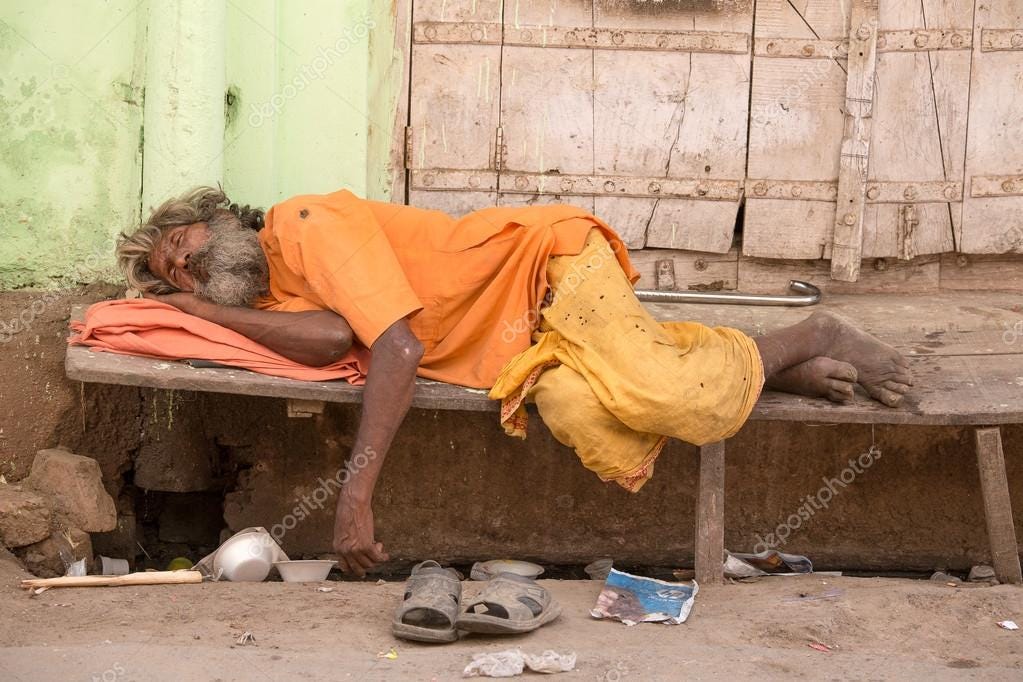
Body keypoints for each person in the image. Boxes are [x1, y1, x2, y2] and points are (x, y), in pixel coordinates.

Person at [116, 187, 912, 576]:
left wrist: (353, 500)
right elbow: (329, 339)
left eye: (185, 242)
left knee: (668, 397)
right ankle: (769, 365)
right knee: (596, 422)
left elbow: (392, 345)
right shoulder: (276, 297)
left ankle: (811, 333)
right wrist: (210, 313)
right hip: (520, 349)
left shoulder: (301, 224)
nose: (190, 265)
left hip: (547, 271)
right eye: (177, 273)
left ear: (220, 215)